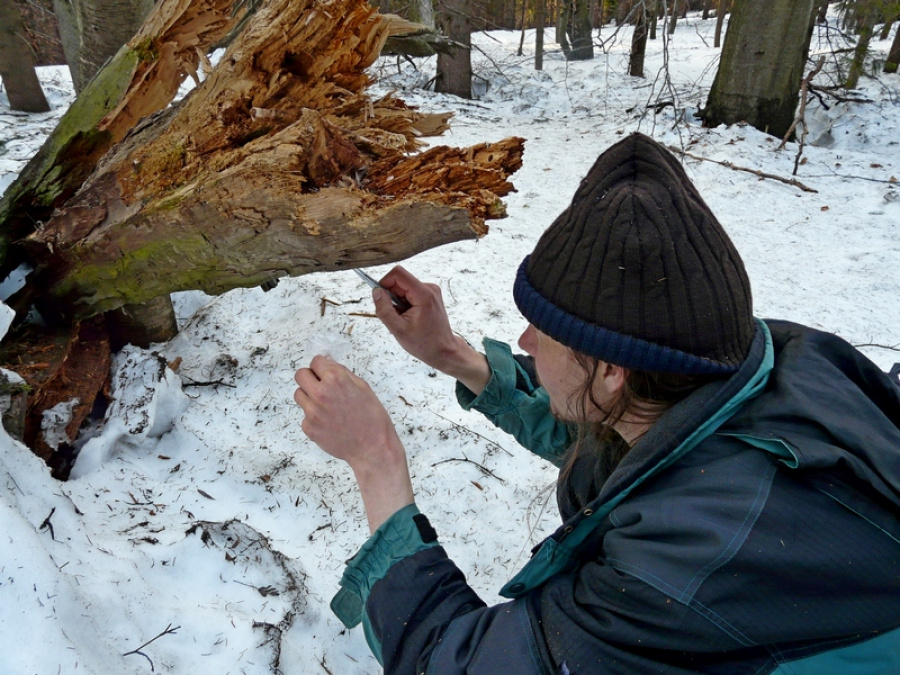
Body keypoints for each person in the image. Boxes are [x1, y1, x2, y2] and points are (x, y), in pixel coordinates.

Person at [292, 133, 900, 674]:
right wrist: (450, 353)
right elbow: (619, 438)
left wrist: (376, 461)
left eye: (543, 334)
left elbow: (453, 659)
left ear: (613, 369)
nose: (524, 341)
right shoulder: (759, 363)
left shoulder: (682, 566)